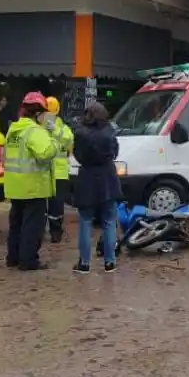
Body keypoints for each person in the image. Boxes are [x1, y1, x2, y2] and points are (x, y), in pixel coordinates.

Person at [2, 91, 60, 271]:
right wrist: (53, 137)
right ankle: (28, 261)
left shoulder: (13, 129)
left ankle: (13, 257)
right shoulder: (35, 131)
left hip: (15, 186)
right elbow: (46, 153)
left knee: (16, 224)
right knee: (32, 227)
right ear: (37, 114)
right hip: (33, 186)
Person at [71, 100, 121, 274]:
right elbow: (115, 152)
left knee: (85, 221)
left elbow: (77, 154)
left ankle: (84, 263)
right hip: (108, 178)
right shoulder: (110, 131)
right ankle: (110, 262)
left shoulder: (80, 133)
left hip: (87, 179)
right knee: (109, 222)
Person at [43, 96, 74, 244]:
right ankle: (39, 231)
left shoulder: (63, 128)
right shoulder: (38, 128)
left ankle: (56, 232)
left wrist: (53, 129)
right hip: (43, 173)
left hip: (59, 174)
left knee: (56, 206)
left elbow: (69, 142)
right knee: (41, 205)